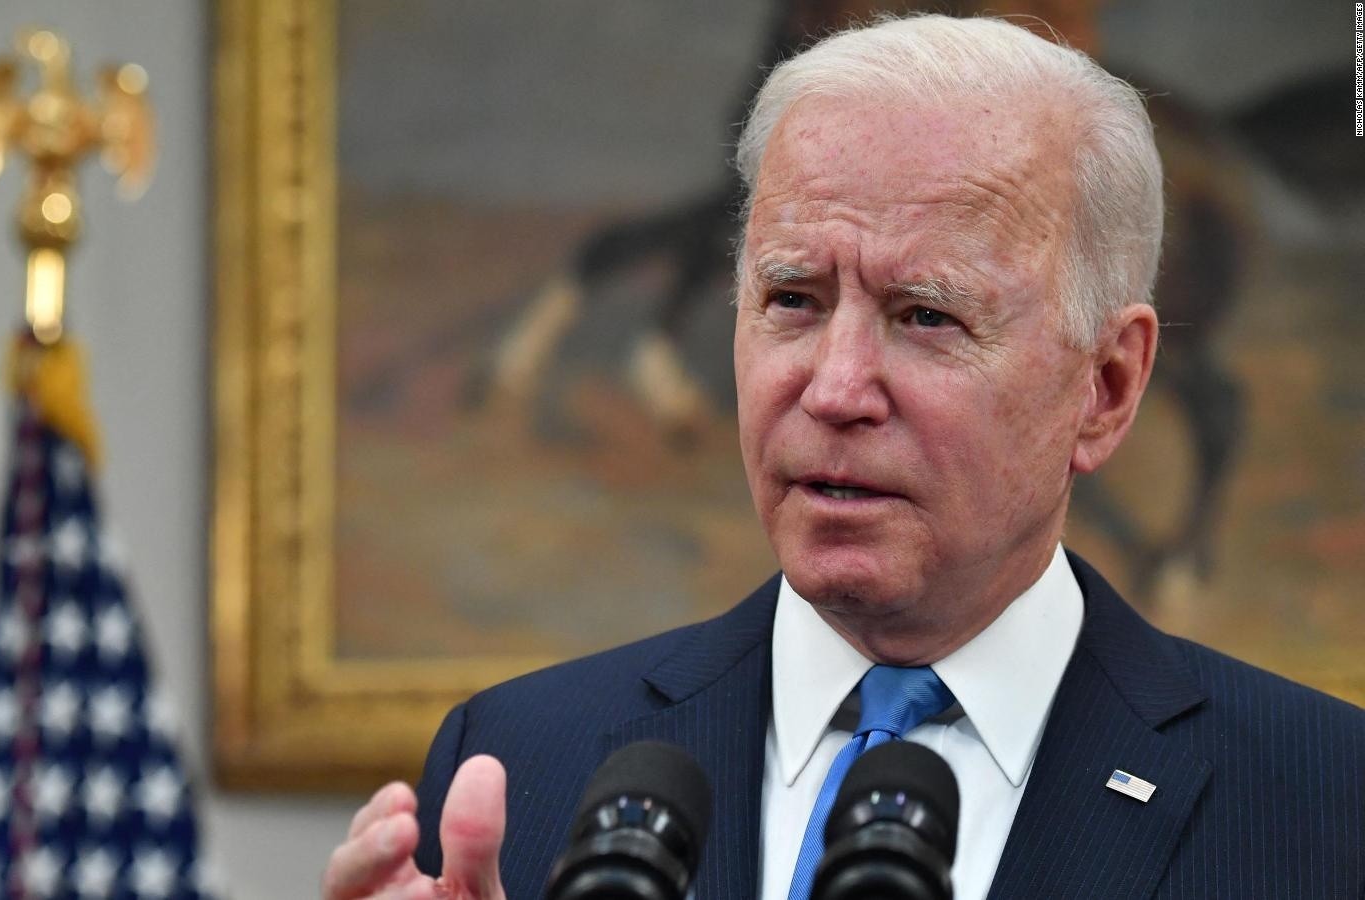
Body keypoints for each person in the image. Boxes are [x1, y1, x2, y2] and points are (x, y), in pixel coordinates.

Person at [322, 14, 1365, 900]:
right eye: (791, 300)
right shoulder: (516, 765)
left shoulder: (1324, 805)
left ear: (1106, 387)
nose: (832, 387)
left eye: (924, 316)